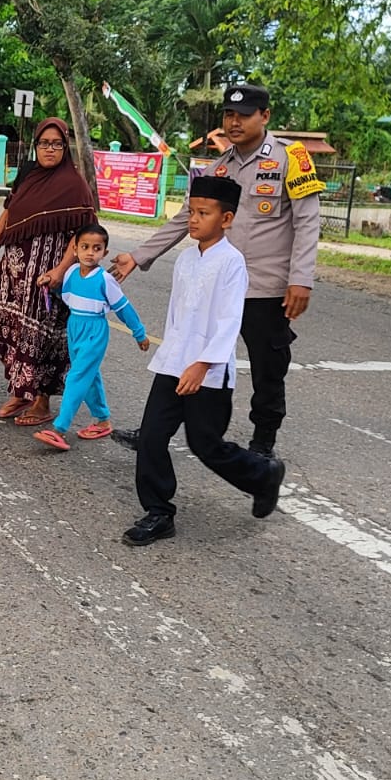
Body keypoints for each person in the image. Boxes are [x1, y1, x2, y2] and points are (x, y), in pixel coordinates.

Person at [111, 82, 318, 459]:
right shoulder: (219, 167)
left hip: (264, 289)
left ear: (265, 116)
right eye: (228, 115)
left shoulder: (292, 158)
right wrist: (139, 256)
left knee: (267, 370)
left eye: (243, 115)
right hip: (217, 285)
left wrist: (300, 279)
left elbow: (307, 222)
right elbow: (184, 218)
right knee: (185, 355)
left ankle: (263, 445)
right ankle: (155, 431)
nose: (234, 122)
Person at [124, 176, 287, 547]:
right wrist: (172, 355)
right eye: (191, 212)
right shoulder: (185, 258)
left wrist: (203, 364)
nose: (193, 219)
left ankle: (263, 475)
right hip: (172, 366)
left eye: (203, 213)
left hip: (208, 374)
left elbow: (230, 321)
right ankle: (158, 512)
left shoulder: (232, 262)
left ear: (226, 218)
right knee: (150, 437)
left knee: (206, 445)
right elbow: (178, 316)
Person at [0, 118, 97, 427]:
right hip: (14, 272)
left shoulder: (74, 185)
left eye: (57, 144)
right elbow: (8, 213)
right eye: (44, 143)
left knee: (39, 338)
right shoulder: (28, 175)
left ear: (65, 147)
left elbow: (83, 234)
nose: (50, 149)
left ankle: (41, 402)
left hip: (46, 278)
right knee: (1, 326)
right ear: (36, 145)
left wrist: (60, 269)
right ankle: (21, 390)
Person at [29, 222, 149, 450]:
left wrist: (139, 333)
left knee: (76, 376)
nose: (90, 253)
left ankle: (59, 429)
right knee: (89, 376)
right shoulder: (72, 271)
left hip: (95, 332)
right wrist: (49, 286)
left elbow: (123, 308)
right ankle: (102, 420)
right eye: (85, 247)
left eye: (96, 248)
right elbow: (67, 294)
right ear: (75, 249)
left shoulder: (105, 280)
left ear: (105, 252)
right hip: (75, 326)